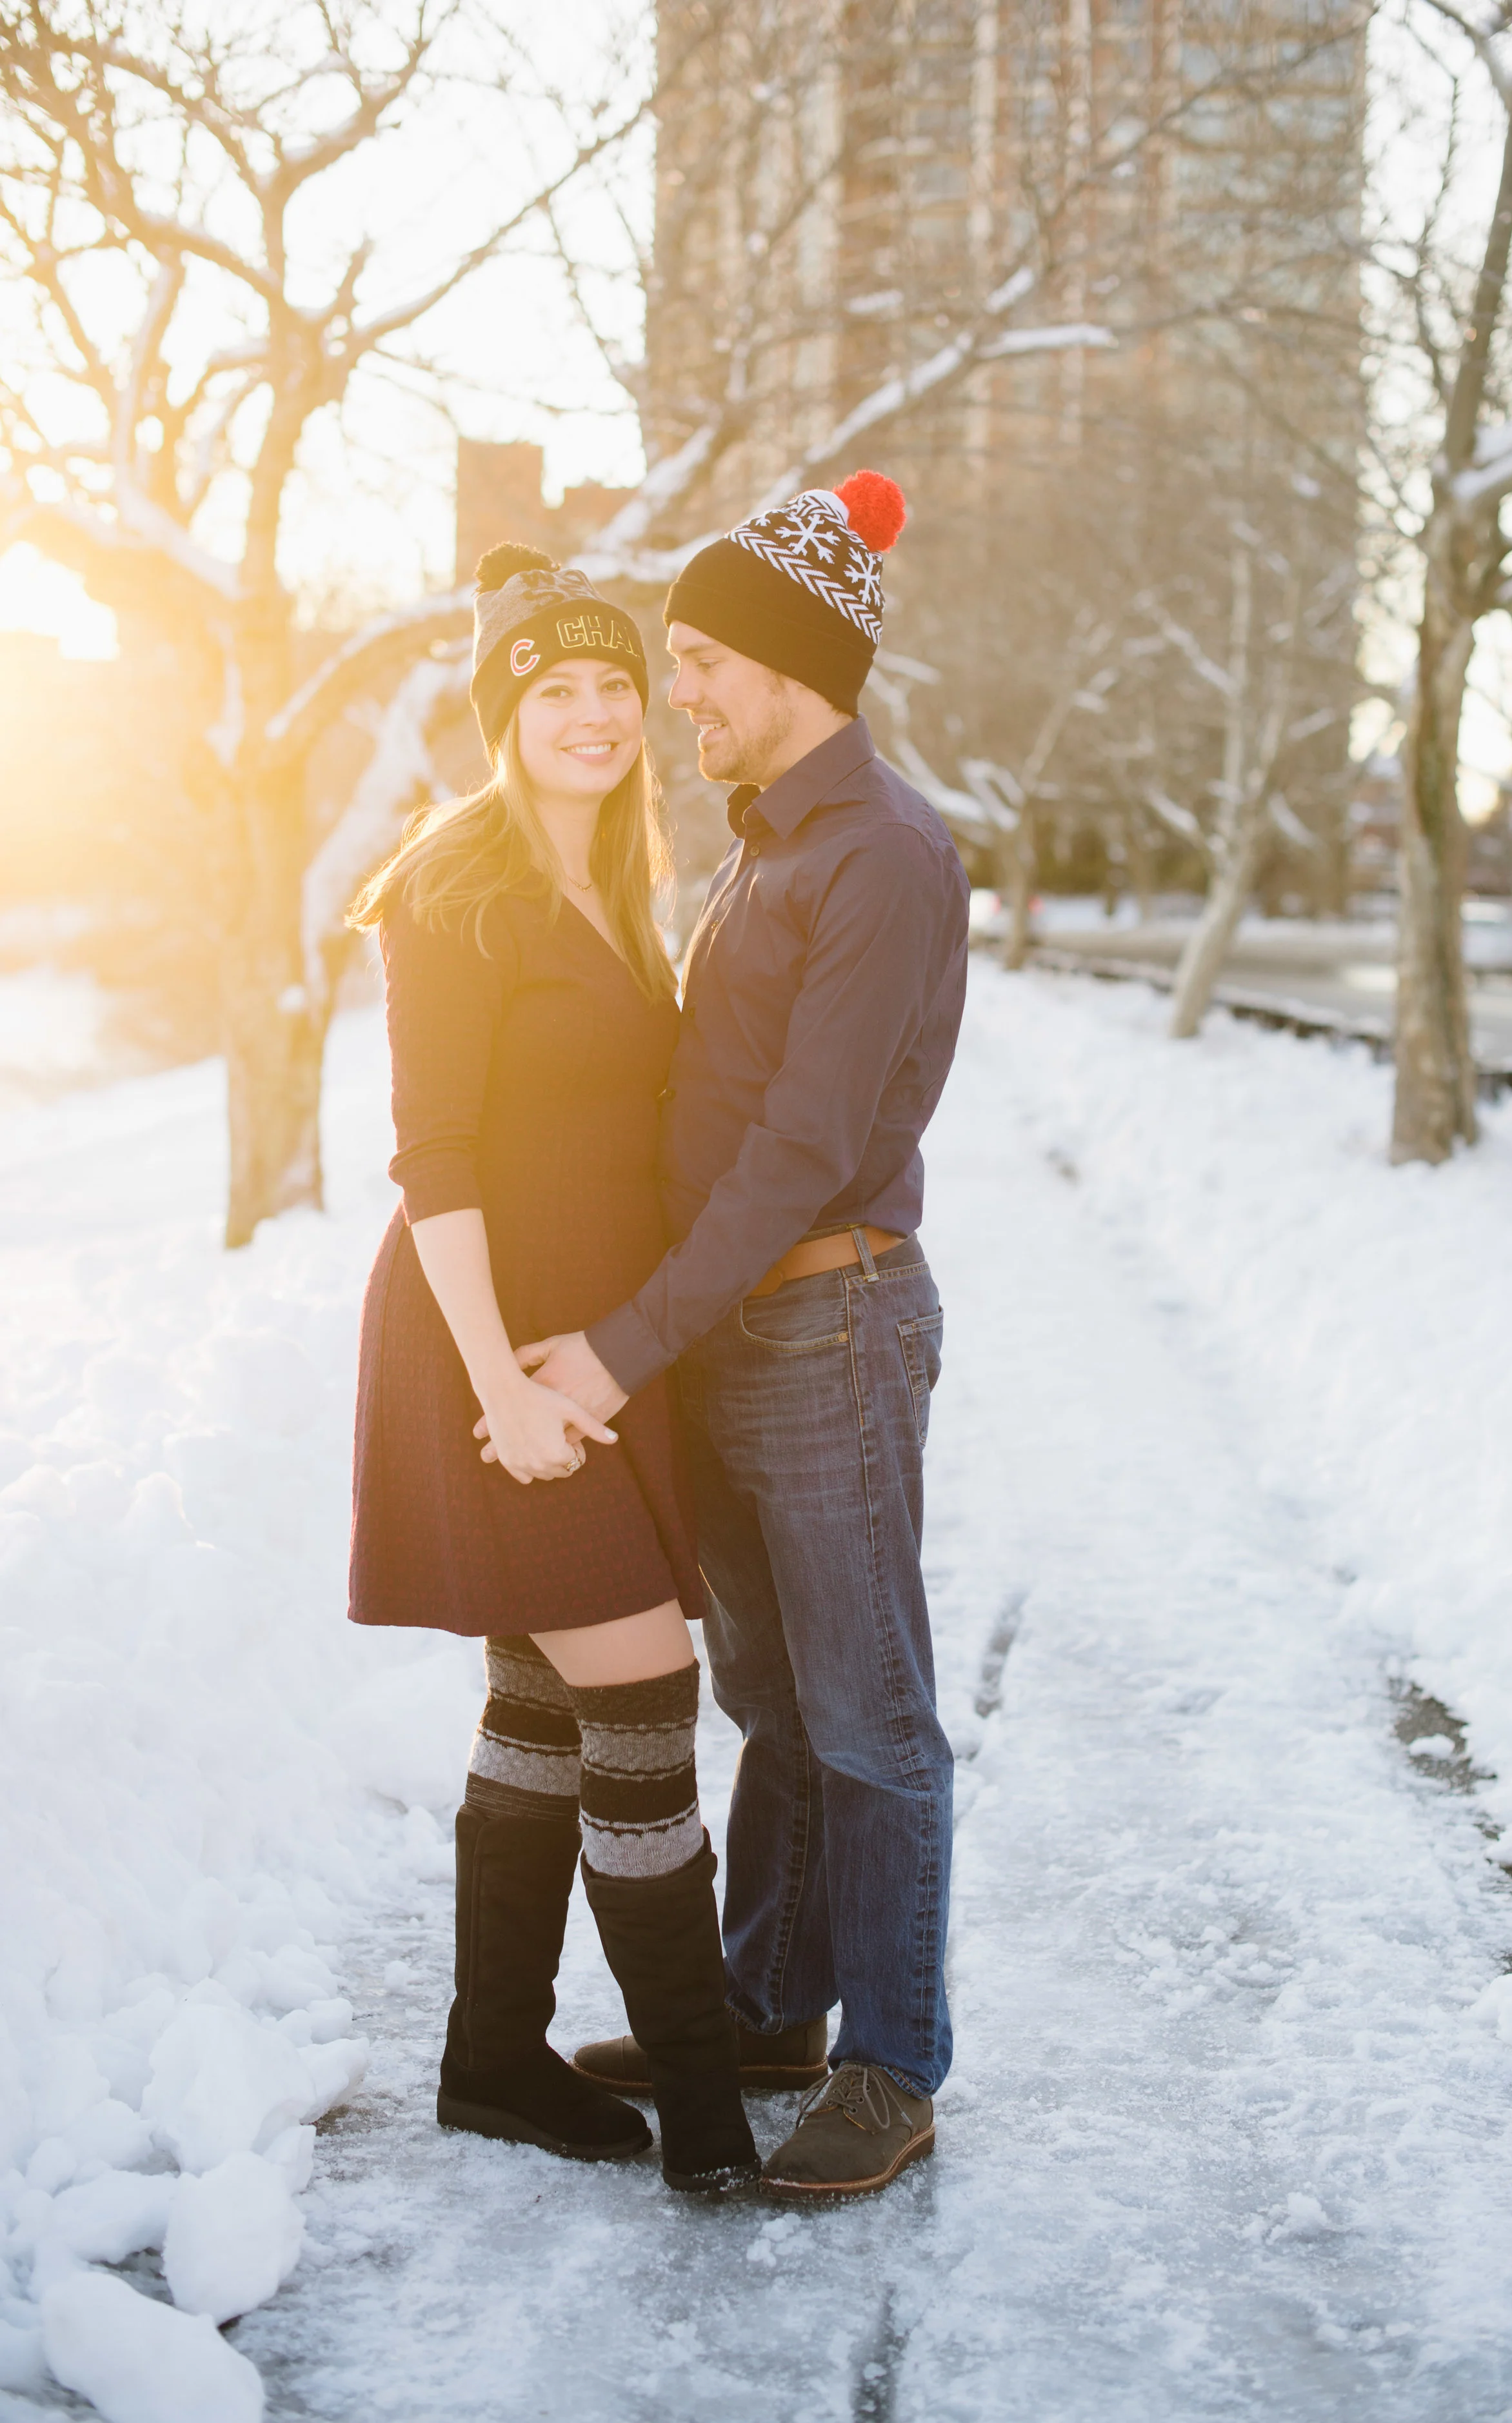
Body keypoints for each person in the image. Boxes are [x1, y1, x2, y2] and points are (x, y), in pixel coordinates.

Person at [528, 472, 972, 2199]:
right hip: (732, 1341)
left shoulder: (883, 855)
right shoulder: (768, 848)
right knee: (774, 1701)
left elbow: (795, 1147)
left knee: (869, 1718)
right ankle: (772, 2005)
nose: (680, 693)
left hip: (829, 1329)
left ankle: (891, 2058)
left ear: (791, 662)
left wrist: (626, 1340)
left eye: (701, 658)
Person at [344, 546, 759, 2197]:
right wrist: (501, 1392)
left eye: (612, 686)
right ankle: (708, 2116)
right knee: (642, 1696)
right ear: (501, 717)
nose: (591, 715)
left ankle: (492, 2058)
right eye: (553, 690)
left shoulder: (625, 879)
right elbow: (432, 1162)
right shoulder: (456, 883)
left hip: (594, 1354)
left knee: (542, 1698)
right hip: (486, 1346)